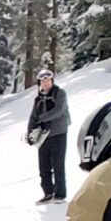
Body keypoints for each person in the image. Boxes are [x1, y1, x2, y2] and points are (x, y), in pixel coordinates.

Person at [26, 68, 71, 205]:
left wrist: (42, 118)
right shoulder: (38, 99)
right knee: (44, 166)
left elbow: (59, 110)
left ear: (51, 80)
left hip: (58, 133)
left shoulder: (59, 93)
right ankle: (47, 193)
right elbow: (33, 117)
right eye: (42, 80)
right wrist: (30, 133)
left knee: (58, 164)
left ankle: (60, 194)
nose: (45, 82)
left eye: (47, 79)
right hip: (43, 136)